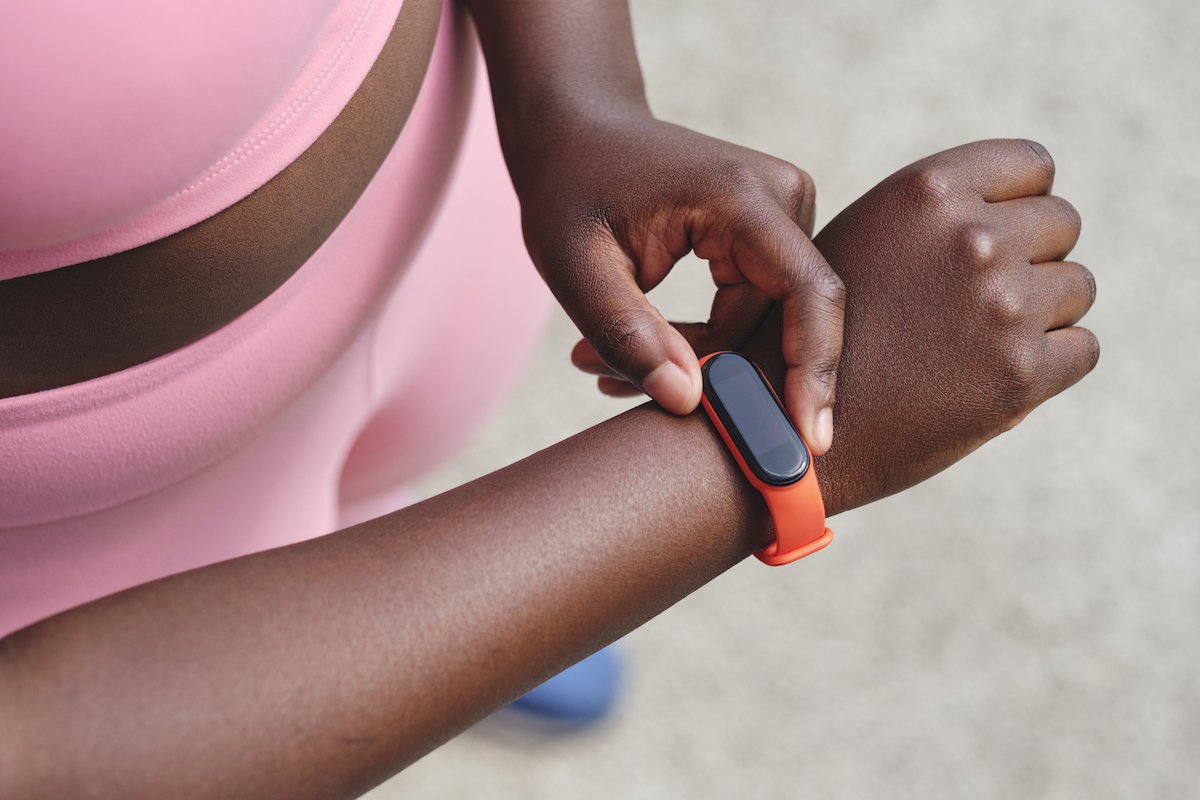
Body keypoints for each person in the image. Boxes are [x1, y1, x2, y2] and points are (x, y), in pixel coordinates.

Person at [0, 0, 1098, 796]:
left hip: (459, 208)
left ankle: (444, 590)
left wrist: (576, 87)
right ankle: (441, 644)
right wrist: (752, 460)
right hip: (94, 563)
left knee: (394, 484)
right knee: (321, 652)